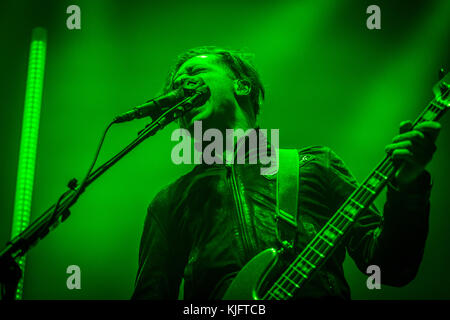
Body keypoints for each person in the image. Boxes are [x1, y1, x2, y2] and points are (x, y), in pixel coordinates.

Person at [131, 46, 441, 300]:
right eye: (175, 87)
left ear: (242, 85)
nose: (181, 87)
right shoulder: (170, 202)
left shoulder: (315, 166)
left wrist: (409, 188)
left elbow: (392, 267)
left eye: (195, 73)